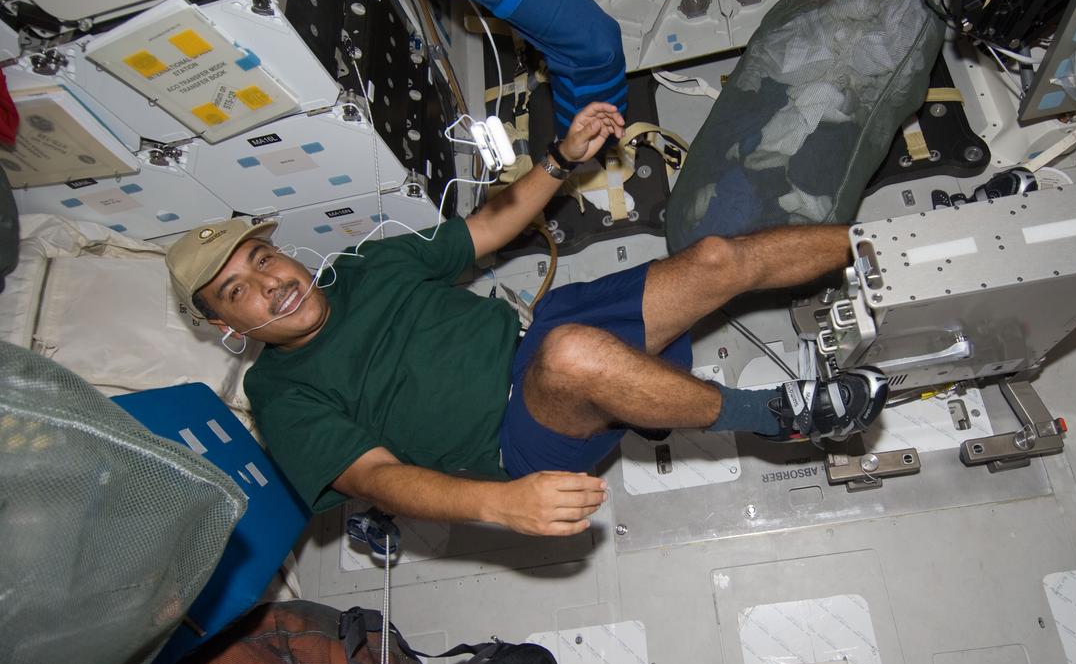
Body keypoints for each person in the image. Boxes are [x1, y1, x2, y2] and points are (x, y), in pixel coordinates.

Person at [165, 102, 887, 537]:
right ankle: (781, 416)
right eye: (238, 293)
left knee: (717, 260)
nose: (269, 285)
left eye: (261, 260)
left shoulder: (362, 267)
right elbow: (379, 481)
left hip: (535, 338)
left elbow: (486, 228)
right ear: (231, 330)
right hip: (514, 441)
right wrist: (501, 506)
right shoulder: (281, 393)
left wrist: (560, 158)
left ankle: (882, 244)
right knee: (574, 354)